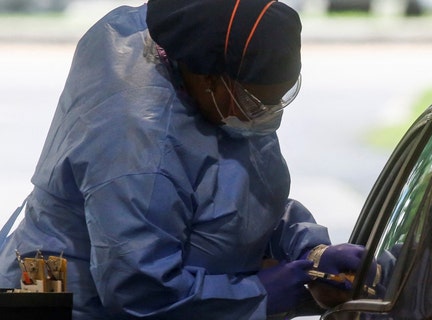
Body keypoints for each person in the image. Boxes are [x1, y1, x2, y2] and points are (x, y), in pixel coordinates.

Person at [0, 0, 367, 318]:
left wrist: (306, 246)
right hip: (50, 287)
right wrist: (258, 294)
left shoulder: (189, 45)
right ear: (208, 77)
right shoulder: (140, 150)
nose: (268, 117)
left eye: (280, 100)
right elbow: (140, 291)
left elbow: (237, 189)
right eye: (257, 103)